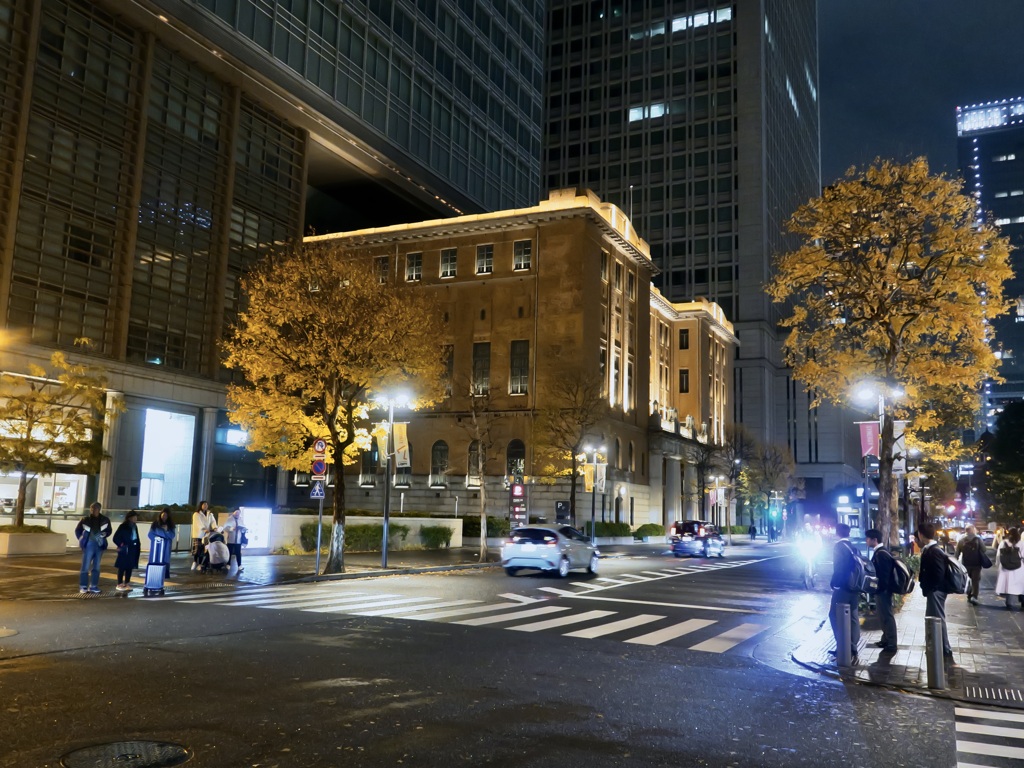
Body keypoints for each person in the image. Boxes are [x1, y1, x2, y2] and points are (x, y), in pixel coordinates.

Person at [916, 522, 954, 658]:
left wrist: (931, 587)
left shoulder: (934, 551)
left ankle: (944, 648)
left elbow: (938, 573)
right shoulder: (932, 549)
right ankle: (938, 646)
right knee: (934, 618)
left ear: (921, 535)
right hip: (934, 590)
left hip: (936, 591)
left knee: (937, 619)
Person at [828, 523, 861, 663]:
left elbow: (839, 568)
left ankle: (842, 646)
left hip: (843, 587)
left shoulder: (839, 547)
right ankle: (853, 648)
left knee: (834, 615)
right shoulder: (854, 548)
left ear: (837, 532)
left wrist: (834, 583)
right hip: (855, 588)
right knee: (853, 617)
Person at [866, 528, 898, 652]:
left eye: (868, 539)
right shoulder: (880, 552)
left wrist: (879, 589)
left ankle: (891, 642)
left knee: (887, 615)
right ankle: (886, 639)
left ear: (874, 540)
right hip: (882, 590)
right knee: (883, 615)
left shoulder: (881, 554)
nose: (866, 541)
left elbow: (884, 575)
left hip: (883, 591)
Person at [74, 502, 112, 594]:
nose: (93, 510)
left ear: (99, 509)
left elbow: (109, 530)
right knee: (85, 566)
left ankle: (93, 586)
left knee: (97, 566)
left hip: (99, 544)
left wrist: (105, 534)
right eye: (91, 508)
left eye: (94, 508)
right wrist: (81, 539)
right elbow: (78, 530)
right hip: (89, 544)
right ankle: (83, 586)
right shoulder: (85, 519)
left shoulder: (105, 520)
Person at [956, 524, 987, 605]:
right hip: (976, 564)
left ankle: (969, 595)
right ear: (973, 530)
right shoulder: (978, 539)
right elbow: (984, 549)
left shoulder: (961, 540)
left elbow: (957, 553)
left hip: (966, 564)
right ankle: (975, 596)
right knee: (975, 581)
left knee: (968, 580)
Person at [995, 527, 1024, 611]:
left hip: (1006, 567)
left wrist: (998, 565)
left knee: (1009, 586)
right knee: (1021, 586)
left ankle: (1009, 603)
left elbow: (998, 555)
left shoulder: (1003, 543)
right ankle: (1023, 602)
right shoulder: (1021, 543)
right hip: (1019, 567)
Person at [112, 511, 142, 591]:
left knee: (130, 566)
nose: (136, 518)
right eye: (134, 517)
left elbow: (136, 537)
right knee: (122, 566)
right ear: (130, 517)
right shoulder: (123, 526)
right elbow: (116, 537)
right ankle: (119, 583)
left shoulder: (134, 526)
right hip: (125, 549)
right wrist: (121, 544)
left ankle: (127, 582)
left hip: (133, 548)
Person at [149, 507, 176, 579]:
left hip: (166, 546)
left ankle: (165, 574)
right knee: (155, 558)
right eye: (163, 515)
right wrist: (155, 538)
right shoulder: (155, 524)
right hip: (156, 546)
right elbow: (150, 534)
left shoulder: (170, 525)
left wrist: (167, 530)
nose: (164, 517)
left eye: (166, 515)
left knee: (165, 559)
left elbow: (172, 535)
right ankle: (154, 573)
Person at [190, 501, 217, 571]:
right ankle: (195, 561)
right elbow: (198, 523)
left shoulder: (209, 514)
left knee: (203, 550)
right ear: (200, 505)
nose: (205, 506)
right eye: (204, 504)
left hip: (206, 535)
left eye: (206, 505)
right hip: (198, 534)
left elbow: (213, 521)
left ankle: (200, 564)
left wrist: (215, 527)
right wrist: (204, 529)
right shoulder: (196, 514)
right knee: (197, 549)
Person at [223, 507, 245, 573]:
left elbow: (243, 527)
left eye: (238, 512)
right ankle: (228, 564)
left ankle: (239, 565)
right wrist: (232, 529)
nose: (237, 514)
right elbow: (225, 528)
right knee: (229, 552)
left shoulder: (240, 519)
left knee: (238, 553)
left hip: (238, 539)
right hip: (231, 539)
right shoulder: (229, 519)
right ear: (233, 512)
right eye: (236, 512)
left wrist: (243, 529)